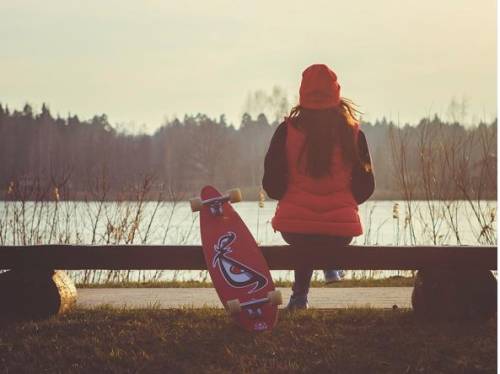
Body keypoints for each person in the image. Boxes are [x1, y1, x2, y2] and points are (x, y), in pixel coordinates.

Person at [262, 64, 375, 310]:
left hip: (294, 228)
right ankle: (331, 264)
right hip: (340, 231)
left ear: (303, 96)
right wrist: (344, 202)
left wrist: (289, 194)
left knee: (306, 235)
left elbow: (271, 185)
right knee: (324, 233)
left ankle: (300, 297)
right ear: (336, 94)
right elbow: (367, 187)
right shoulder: (354, 135)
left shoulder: (286, 132)